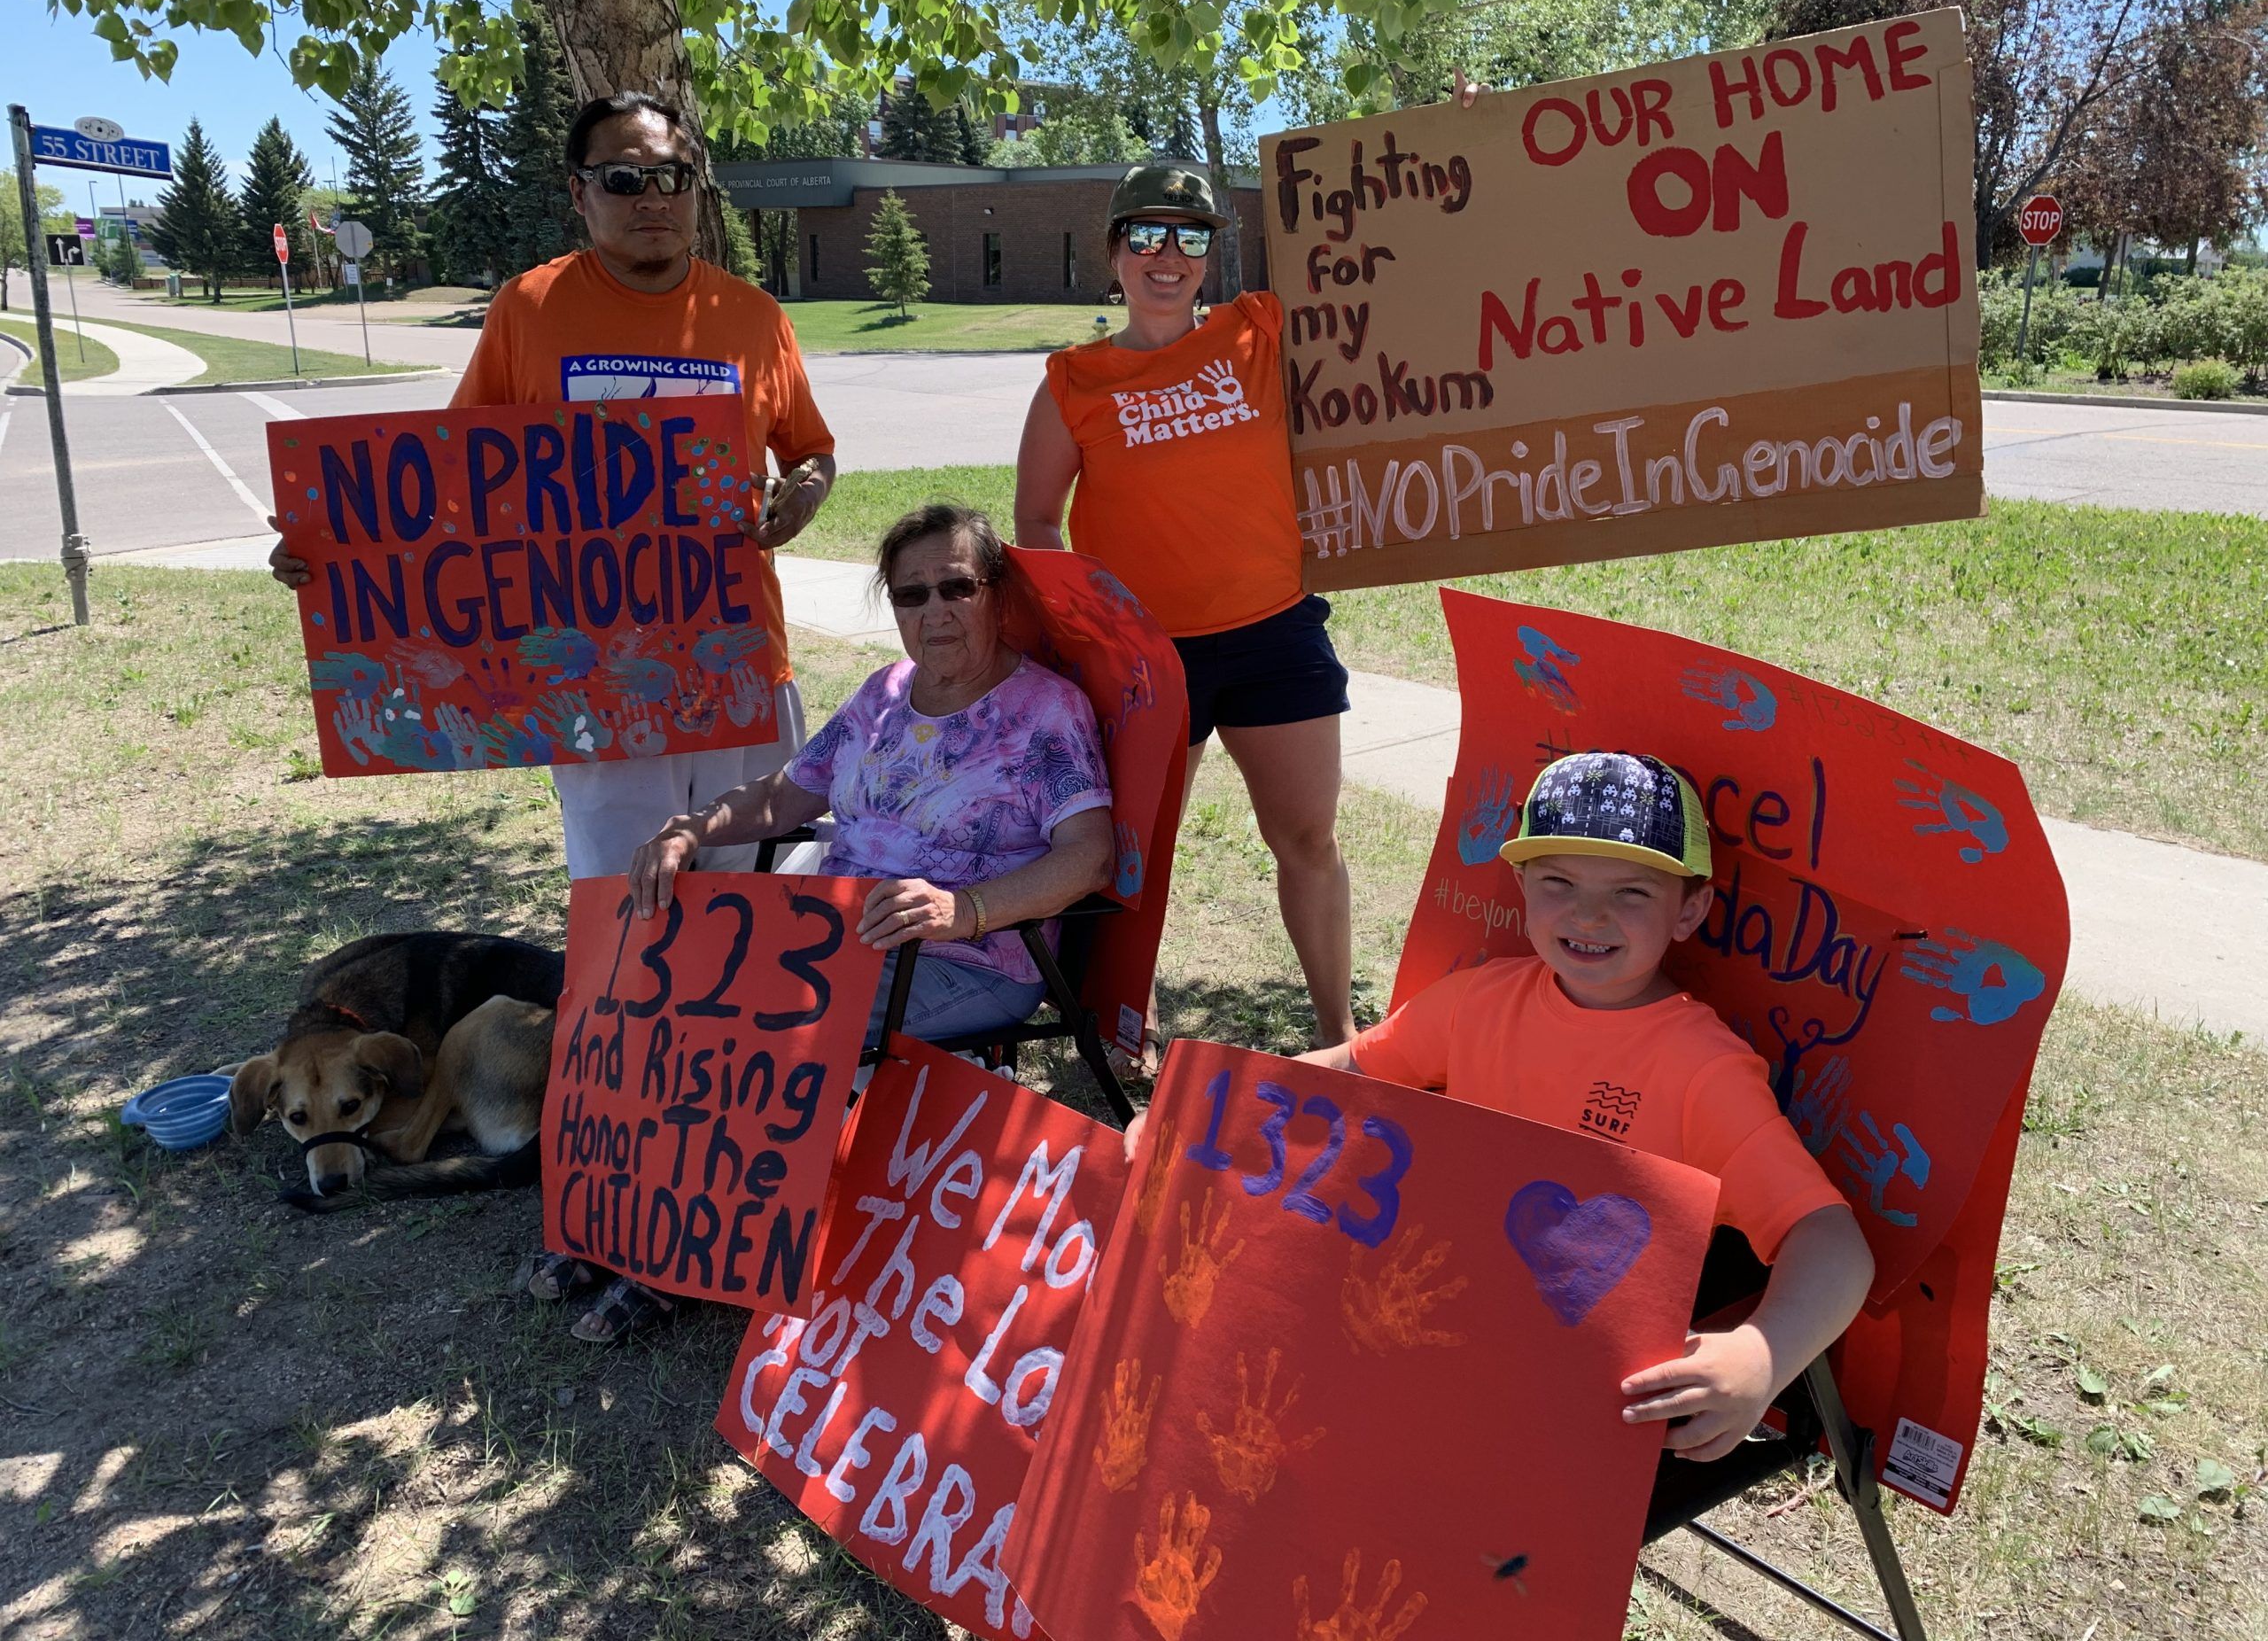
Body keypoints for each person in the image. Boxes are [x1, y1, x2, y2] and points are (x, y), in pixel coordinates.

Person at [1127, 751, 1876, 1459]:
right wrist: (1201, 1109)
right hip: (1413, 1321)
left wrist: (1761, 1352)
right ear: (1521, 886)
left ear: (1690, 910)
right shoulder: (1478, 1000)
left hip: (1556, 1395)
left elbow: (1832, 1244)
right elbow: (1350, 1068)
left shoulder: (1702, 1072)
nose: (1589, 916)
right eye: (1559, 883)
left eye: (1631, 892)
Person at [542, 502, 1115, 1341]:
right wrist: (690, 829)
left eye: (957, 586)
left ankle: (677, 1258)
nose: (934, 611)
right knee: (656, 977)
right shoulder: (884, 695)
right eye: (912, 595)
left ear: (997, 595)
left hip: (966, 958)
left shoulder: (1045, 715)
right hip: (832, 939)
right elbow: (785, 795)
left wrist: (967, 910)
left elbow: (1089, 856)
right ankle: (623, 1217)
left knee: (748, 1028)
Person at [266, 89, 837, 880]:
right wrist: (337, 543)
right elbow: (449, 485)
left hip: (736, 655)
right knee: (625, 894)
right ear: (579, 192)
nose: (652, 199)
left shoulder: (754, 316)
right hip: (593, 669)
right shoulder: (528, 310)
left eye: (671, 177)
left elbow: (810, 451)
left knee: (757, 884)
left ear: (697, 188)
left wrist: (805, 489)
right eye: (622, 180)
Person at [1013, 164, 1355, 1051]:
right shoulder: (1072, 381)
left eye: (1191, 236)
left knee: (1307, 837)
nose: (1168, 255)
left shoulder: (1260, 331)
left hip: (1275, 631)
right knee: (1130, 854)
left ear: (1213, 255)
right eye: (1147, 235)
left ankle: (1336, 1030)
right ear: (1115, 250)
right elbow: (1037, 520)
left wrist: (1449, 123)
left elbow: (1383, 269)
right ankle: (1119, 1017)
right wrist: (1091, 630)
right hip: (1145, 659)